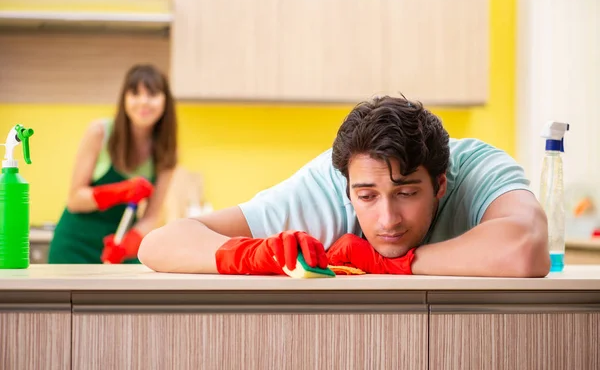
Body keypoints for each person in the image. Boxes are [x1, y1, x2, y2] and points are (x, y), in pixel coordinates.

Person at [138, 95, 550, 277]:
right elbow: (158, 245)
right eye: (367, 197)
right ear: (348, 187)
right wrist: (251, 254)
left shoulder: (476, 166)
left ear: (440, 183)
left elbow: (525, 249)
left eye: (406, 192)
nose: (387, 219)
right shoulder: (327, 183)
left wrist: (388, 264)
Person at [48, 64, 178, 264]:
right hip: (74, 245)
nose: (143, 102)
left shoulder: (165, 152)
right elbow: (75, 199)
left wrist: (129, 244)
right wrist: (121, 192)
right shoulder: (99, 132)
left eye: (152, 94)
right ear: (124, 99)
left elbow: (152, 216)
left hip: (119, 246)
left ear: (165, 101)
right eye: (135, 94)